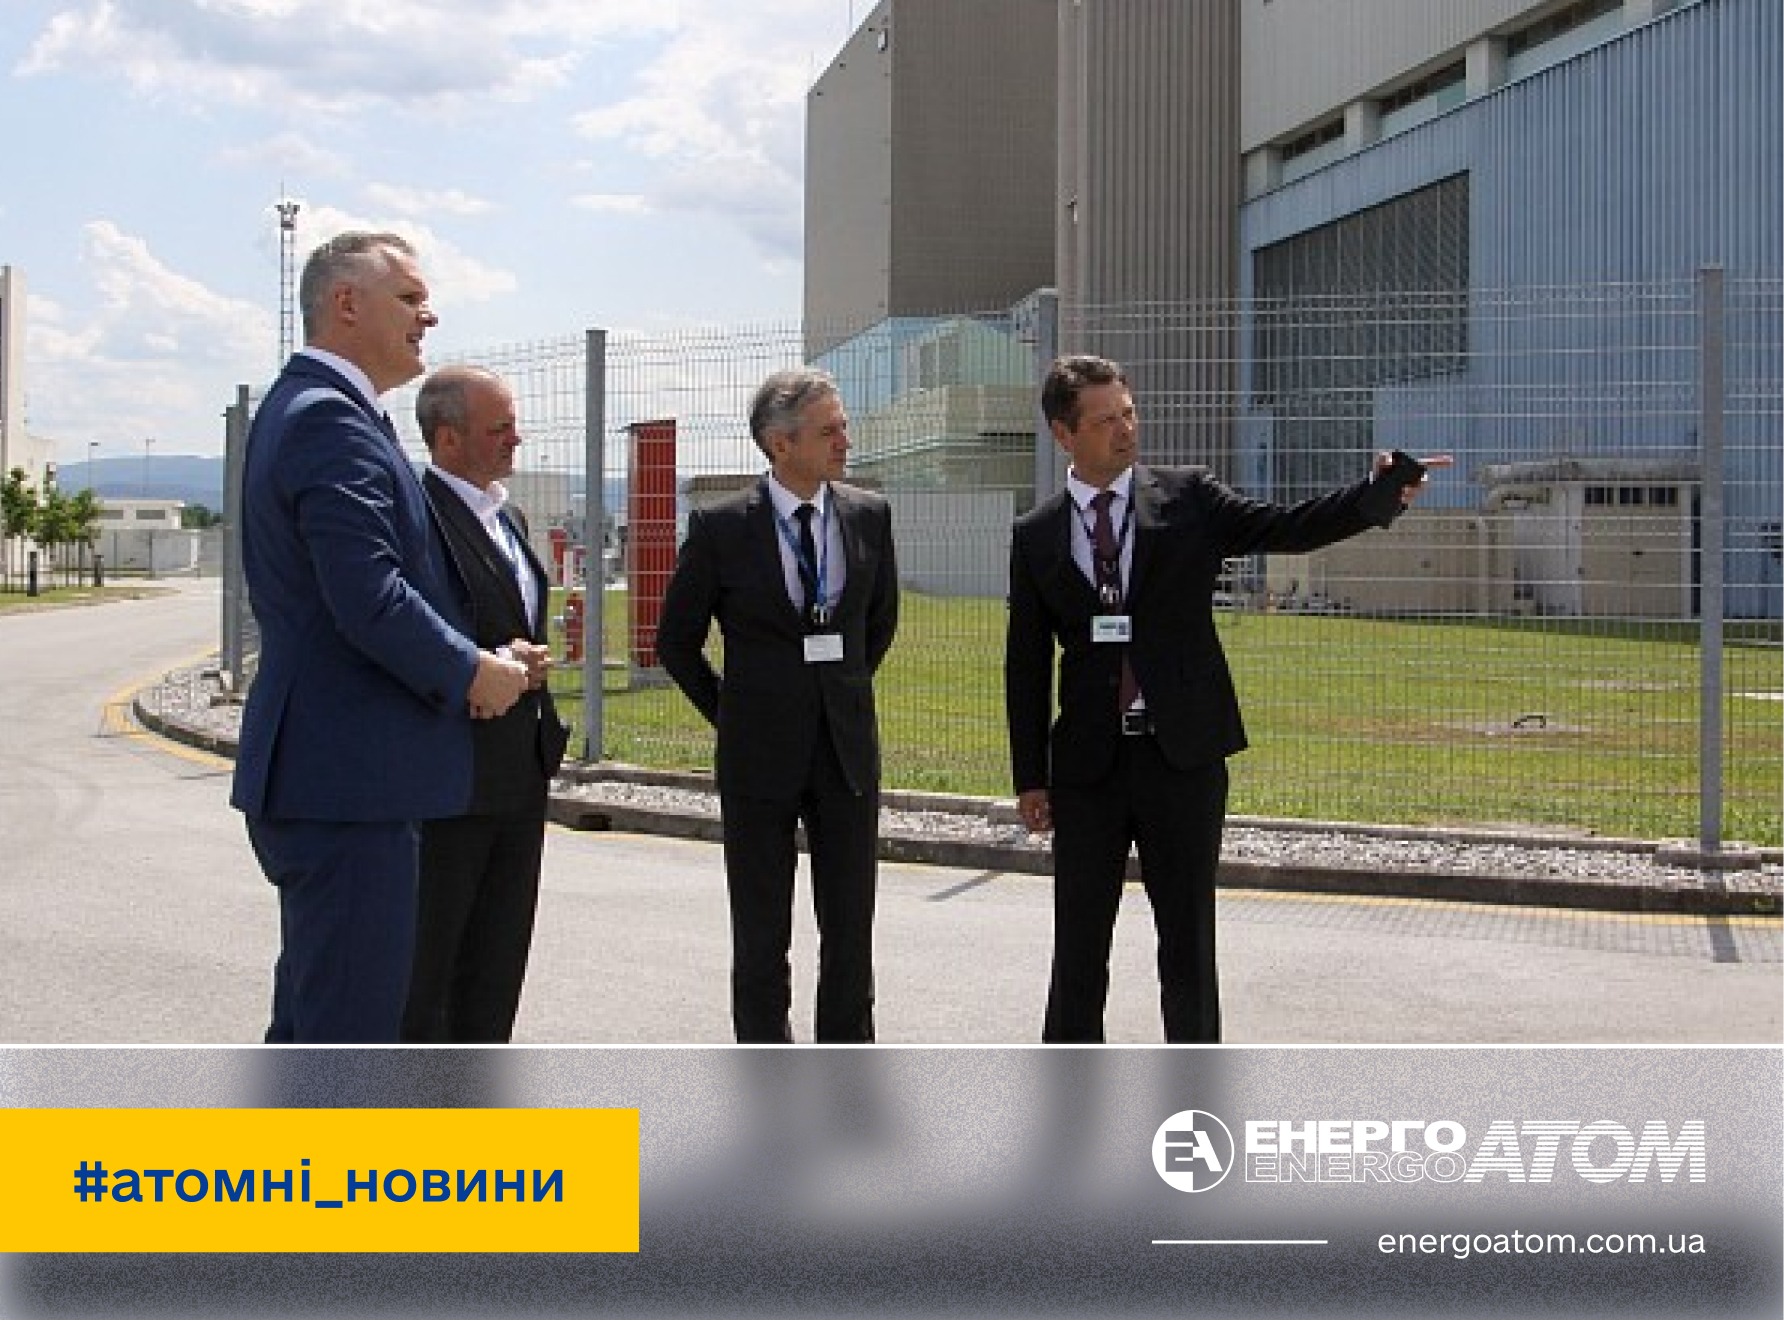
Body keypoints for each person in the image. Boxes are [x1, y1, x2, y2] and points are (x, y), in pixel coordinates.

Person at [1005, 353, 1448, 1044]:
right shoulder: (1036, 534)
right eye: (1105, 420)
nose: (1126, 429)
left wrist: (1376, 493)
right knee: (1079, 950)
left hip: (1182, 758)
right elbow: (1026, 661)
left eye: (1129, 412)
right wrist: (1031, 776)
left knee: (1188, 944)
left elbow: (1286, 526)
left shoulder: (1189, 499)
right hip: (1089, 769)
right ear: (1064, 434)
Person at [231, 232, 531, 1044]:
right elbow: (367, 594)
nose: (427, 316)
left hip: (338, 777)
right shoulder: (330, 419)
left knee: (315, 1031)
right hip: (348, 783)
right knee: (348, 1044)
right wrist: (470, 670)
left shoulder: (320, 410)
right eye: (409, 297)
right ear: (346, 304)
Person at [656, 368, 899, 1042]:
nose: (845, 441)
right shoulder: (722, 527)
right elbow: (675, 642)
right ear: (780, 443)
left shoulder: (868, 515)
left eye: (843, 426)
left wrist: (836, 691)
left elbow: (877, 624)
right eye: (829, 430)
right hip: (758, 755)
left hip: (845, 751)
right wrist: (733, 712)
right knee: (761, 929)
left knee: (850, 925)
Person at [401, 365, 570, 1043]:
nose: (515, 439)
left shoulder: (509, 517)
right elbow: (411, 628)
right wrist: (490, 662)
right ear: (448, 438)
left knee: (498, 964)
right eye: (499, 428)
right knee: (433, 967)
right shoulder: (416, 517)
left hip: (518, 771)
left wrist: (522, 660)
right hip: (452, 776)